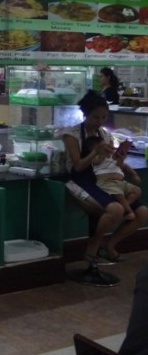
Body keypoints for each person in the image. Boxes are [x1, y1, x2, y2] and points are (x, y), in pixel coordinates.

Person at [61, 90, 148, 265]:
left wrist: (120, 157)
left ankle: (109, 245)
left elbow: (111, 162)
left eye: (103, 117)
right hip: (81, 180)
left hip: (104, 178)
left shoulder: (105, 134)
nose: (100, 122)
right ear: (85, 115)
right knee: (115, 210)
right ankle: (93, 248)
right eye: (95, 117)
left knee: (142, 212)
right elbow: (77, 166)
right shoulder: (71, 135)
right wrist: (95, 152)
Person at [85, 135, 142, 220]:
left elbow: (121, 165)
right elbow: (98, 161)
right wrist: (101, 152)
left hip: (120, 183)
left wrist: (133, 173)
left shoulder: (112, 157)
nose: (106, 148)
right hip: (106, 182)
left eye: (106, 145)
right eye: (103, 146)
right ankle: (128, 211)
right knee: (119, 195)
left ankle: (125, 206)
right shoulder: (94, 158)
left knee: (137, 191)